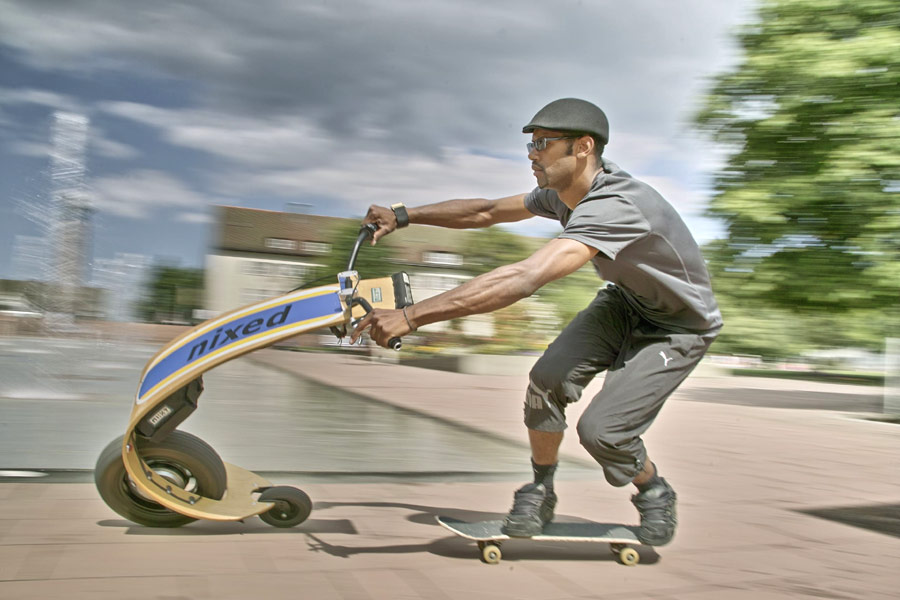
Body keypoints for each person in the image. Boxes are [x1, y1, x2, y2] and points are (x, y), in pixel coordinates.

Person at [350, 98, 722, 546]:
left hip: (679, 326)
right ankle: (540, 489)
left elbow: (526, 276)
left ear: (583, 147)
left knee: (603, 434)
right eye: (530, 145)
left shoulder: (619, 204)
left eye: (543, 144)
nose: (532, 154)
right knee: (546, 380)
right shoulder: (560, 195)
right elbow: (485, 211)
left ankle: (654, 489)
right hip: (627, 304)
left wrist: (412, 316)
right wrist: (404, 215)